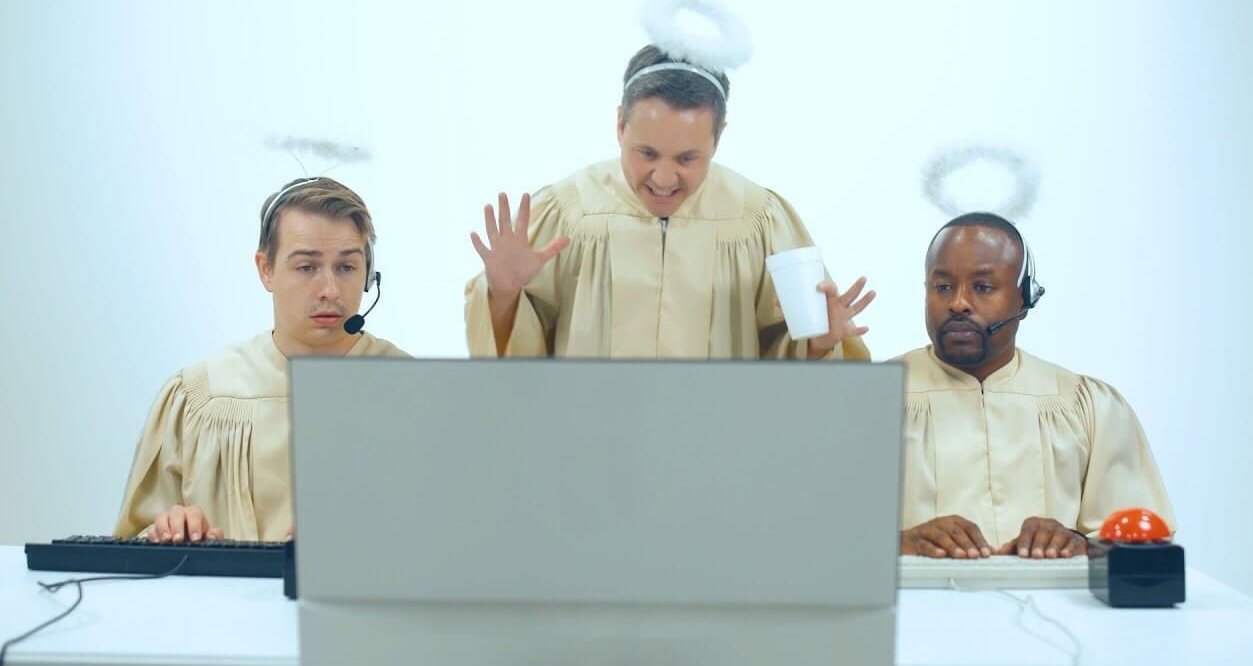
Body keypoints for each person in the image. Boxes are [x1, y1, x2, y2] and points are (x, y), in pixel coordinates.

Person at [464, 43, 873, 359]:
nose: (662, 179)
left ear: (718, 137)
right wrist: (503, 296)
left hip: (717, 453)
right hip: (589, 450)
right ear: (620, 125)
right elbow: (515, 374)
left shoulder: (758, 220)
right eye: (647, 153)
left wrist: (818, 344)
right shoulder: (567, 213)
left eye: (687, 158)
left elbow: (797, 378)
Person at [114, 177, 408, 542]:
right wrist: (168, 531)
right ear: (265, 269)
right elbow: (130, 545)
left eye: (346, 267)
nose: (330, 290)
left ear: (368, 273)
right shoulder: (198, 395)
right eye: (306, 267)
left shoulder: (411, 391)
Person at [897, 212, 1173, 559]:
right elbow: (822, 539)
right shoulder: (871, 401)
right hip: (918, 610)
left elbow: (1143, 549)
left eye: (982, 287)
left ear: (1024, 299)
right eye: (942, 287)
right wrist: (900, 543)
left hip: (1053, 611)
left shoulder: (1087, 406)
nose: (958, 303)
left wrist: (1078, 544)